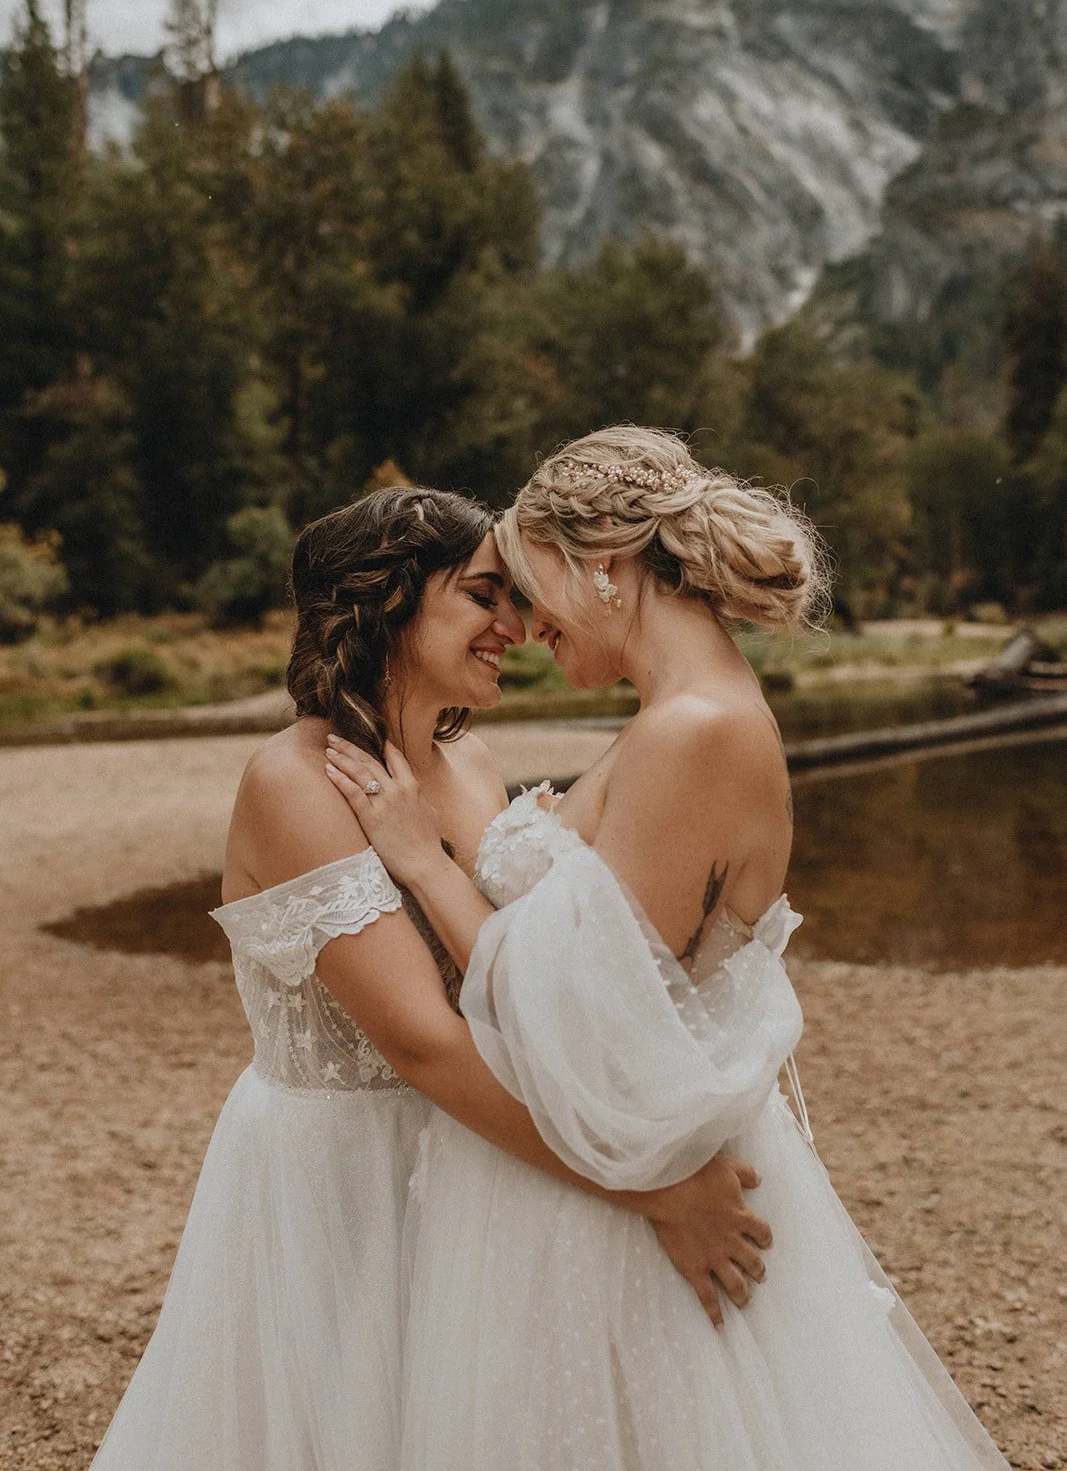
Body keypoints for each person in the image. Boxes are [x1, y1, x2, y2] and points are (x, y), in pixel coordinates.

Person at [325, 429, 1011, 1471]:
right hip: (599, 1158)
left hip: (627, 1185)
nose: (521, 621)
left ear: (596, 561)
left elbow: (576, 1012)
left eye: (526, 584)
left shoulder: (694, 731)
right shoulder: (675, 718)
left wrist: (423, 866)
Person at [86, 485, 772, 1471]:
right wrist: (650, 1184)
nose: (518, 624)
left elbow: (505, 976)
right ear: (391, 601)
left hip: (482, 1161)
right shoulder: (297, 779)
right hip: (343, 1179)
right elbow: (420, 1041)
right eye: (484, 595)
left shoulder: (473, 762)